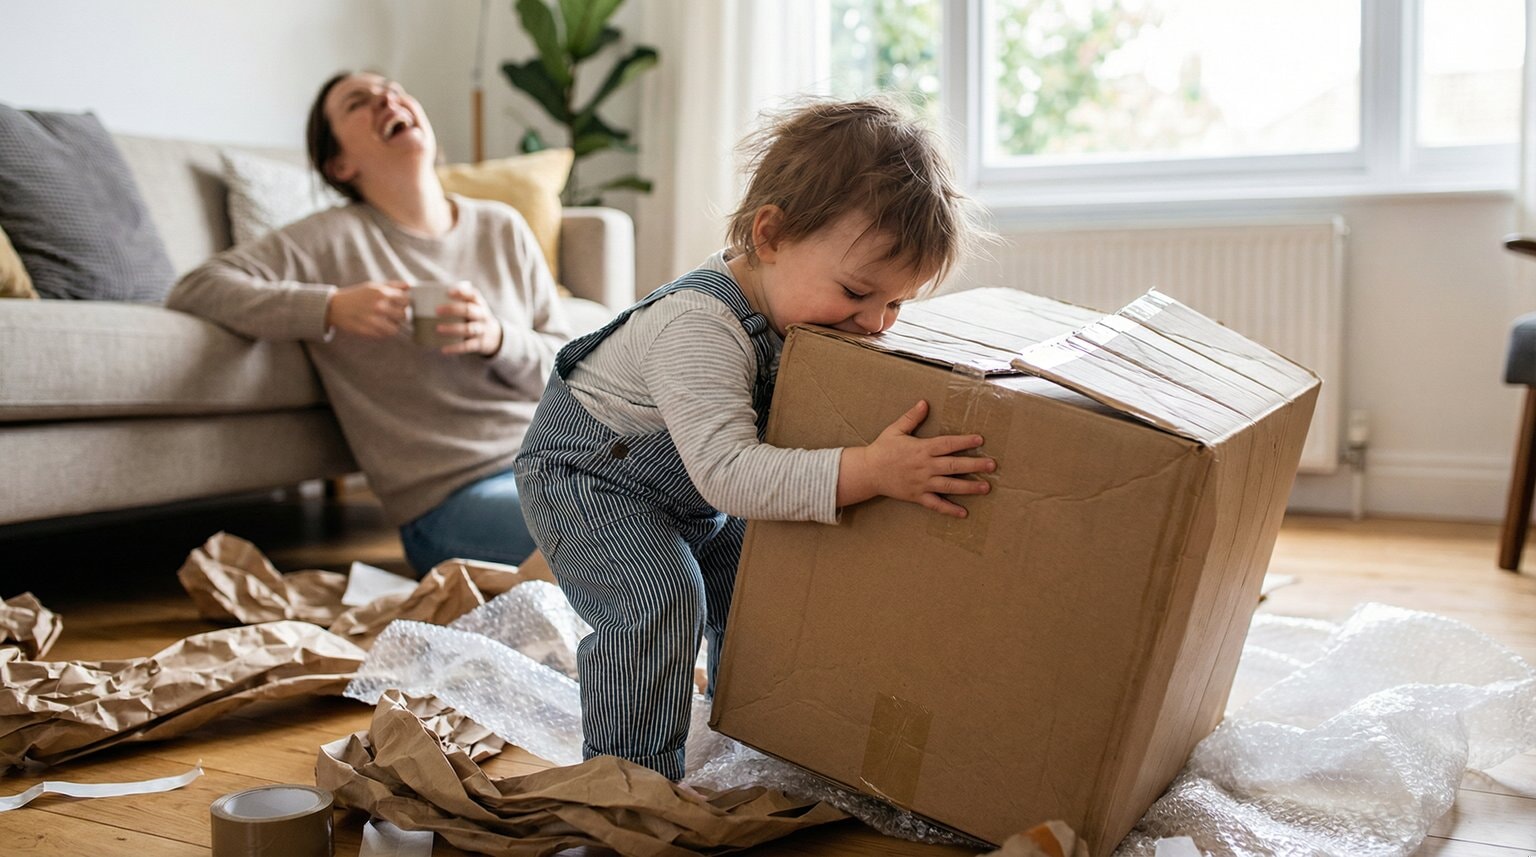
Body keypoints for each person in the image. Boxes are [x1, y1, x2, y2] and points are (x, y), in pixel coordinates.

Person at [512, 99, 990, 781]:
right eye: (858, 292)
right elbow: (731, 476)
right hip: (589, 477)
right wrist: (874, 471)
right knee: (659, 597)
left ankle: (760, 723)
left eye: (896, 303)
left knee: (764, 584)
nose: (876, 321)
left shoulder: (795, 306)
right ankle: (628, 779)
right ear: (770, 236)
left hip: (685, 485)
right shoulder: (700, 327)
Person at [167, 71, 571, 575]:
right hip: (449, 502)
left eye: (394, 90)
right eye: (361, 101)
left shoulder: (501, 227)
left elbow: (570, 370)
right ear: (340, 163)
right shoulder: (326, 241)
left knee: (684, 513)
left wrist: (497, 338)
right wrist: (330, 308)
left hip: (557, 464)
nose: (388, 98)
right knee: (620, 535)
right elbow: (197, 288)